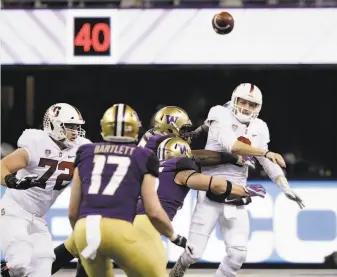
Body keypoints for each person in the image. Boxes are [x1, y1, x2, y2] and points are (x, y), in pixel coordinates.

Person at [170, 83, 305, 277]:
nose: (246, 108)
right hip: (210, 192)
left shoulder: (260, 127)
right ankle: (178, 270)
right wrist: (265, 152)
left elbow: (268, 162)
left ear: (258, 107)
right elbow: (232, 146)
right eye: (243, 102)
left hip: (236, 195)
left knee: (237, 256)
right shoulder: (219, 114)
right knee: (194, 253)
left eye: (252, 104)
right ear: (234, 100)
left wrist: (284, 186)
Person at [67, 104, 187, 277]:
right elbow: (153, 210)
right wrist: (174, 236)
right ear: (135, 128)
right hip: (118, 228)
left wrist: (80, 235)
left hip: (85, 230)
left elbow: (73, 211)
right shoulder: (143, 156)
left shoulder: (85, 151)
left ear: (104, 127)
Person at [134, 137, 267, 268]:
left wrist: (174, 237)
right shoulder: (180, 170)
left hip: (135, 222)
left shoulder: (151, 169)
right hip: (149, 226)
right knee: (156, 268)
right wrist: (243, 190)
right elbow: (214, 185)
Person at [0, 103, 90, 277]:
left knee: (43, 265)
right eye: (70, 126)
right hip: (14, 210)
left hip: (39, 217)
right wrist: (12, 181)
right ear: (54, 124)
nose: (75, 131)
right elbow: (2, 166)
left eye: (77, 127)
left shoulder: (81, 148)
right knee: (19, 263)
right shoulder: (37, 143)